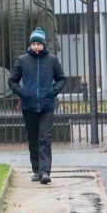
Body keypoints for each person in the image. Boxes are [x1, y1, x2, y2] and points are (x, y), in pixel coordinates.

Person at [8, 26, 66, 185]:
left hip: (47, 105)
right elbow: (12, 80)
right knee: (33, 139)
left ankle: (45, 172)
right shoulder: (22, 60)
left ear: (43, 44)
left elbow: (61, 78)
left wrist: (53, 91)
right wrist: (23, 92)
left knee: (45, 138)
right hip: (29, 106)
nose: (35, 46)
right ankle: (36, 170)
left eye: (38, 43)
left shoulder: (52, 60)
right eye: (33, 44)